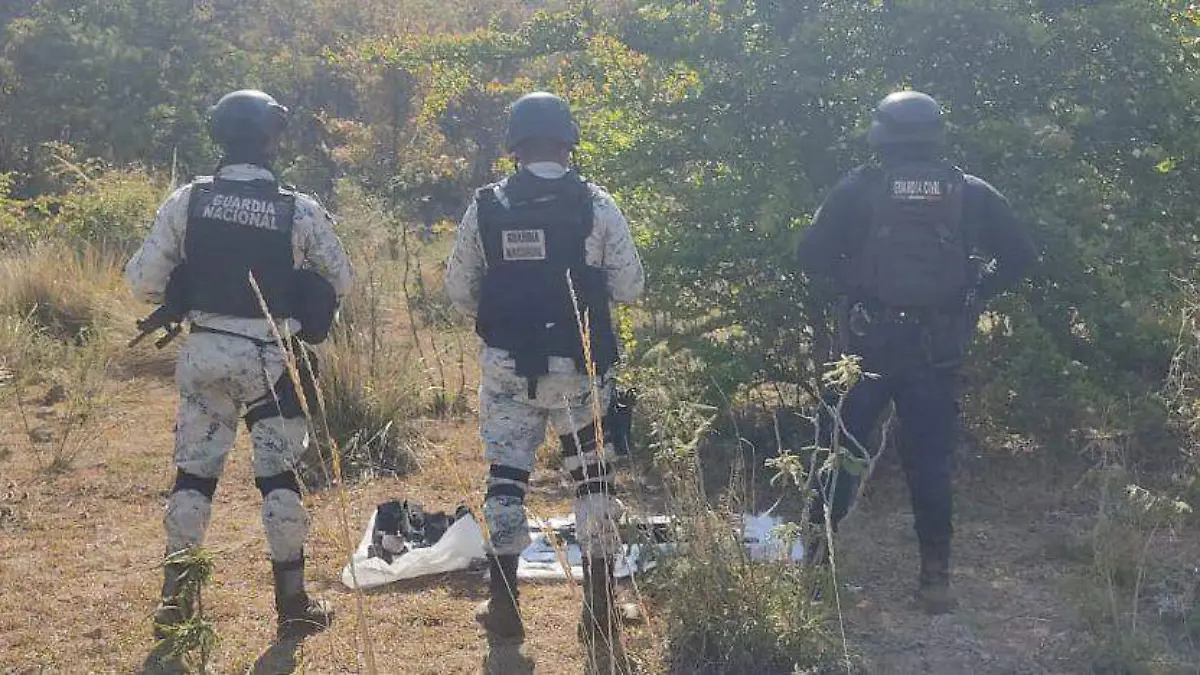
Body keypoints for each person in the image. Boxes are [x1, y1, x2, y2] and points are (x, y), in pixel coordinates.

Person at [796, 90, 1036, 614]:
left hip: (865, 349)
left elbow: (810, 256)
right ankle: (935, 581)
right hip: (936, 350)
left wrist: (854, 284)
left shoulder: (857, 189)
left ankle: (812, 572)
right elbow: (1021, 255)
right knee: (930, 464)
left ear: (881, 135)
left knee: (837, 455)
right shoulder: (970, 191)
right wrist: (975, 292)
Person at [125, 89, 352, 640]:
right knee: (280, 479)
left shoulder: (187, 201)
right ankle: (293, 605)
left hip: (205, 352)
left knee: (194, 476)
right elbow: (340, 280)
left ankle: (176, 603)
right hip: (274, 357)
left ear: (220, 135)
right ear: (272, 139)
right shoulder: (299, 209)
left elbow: (142, 282)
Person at [445, 91, 645, 668]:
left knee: (506, 479)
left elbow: (460, 289)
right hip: (580, 367)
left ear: (515, 144)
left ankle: (504, 607)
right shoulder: (597, 205)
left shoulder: (487, 205)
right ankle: (600, 610)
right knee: (592, 480)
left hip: (508, 366)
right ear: (568, 142)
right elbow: (630, 287)